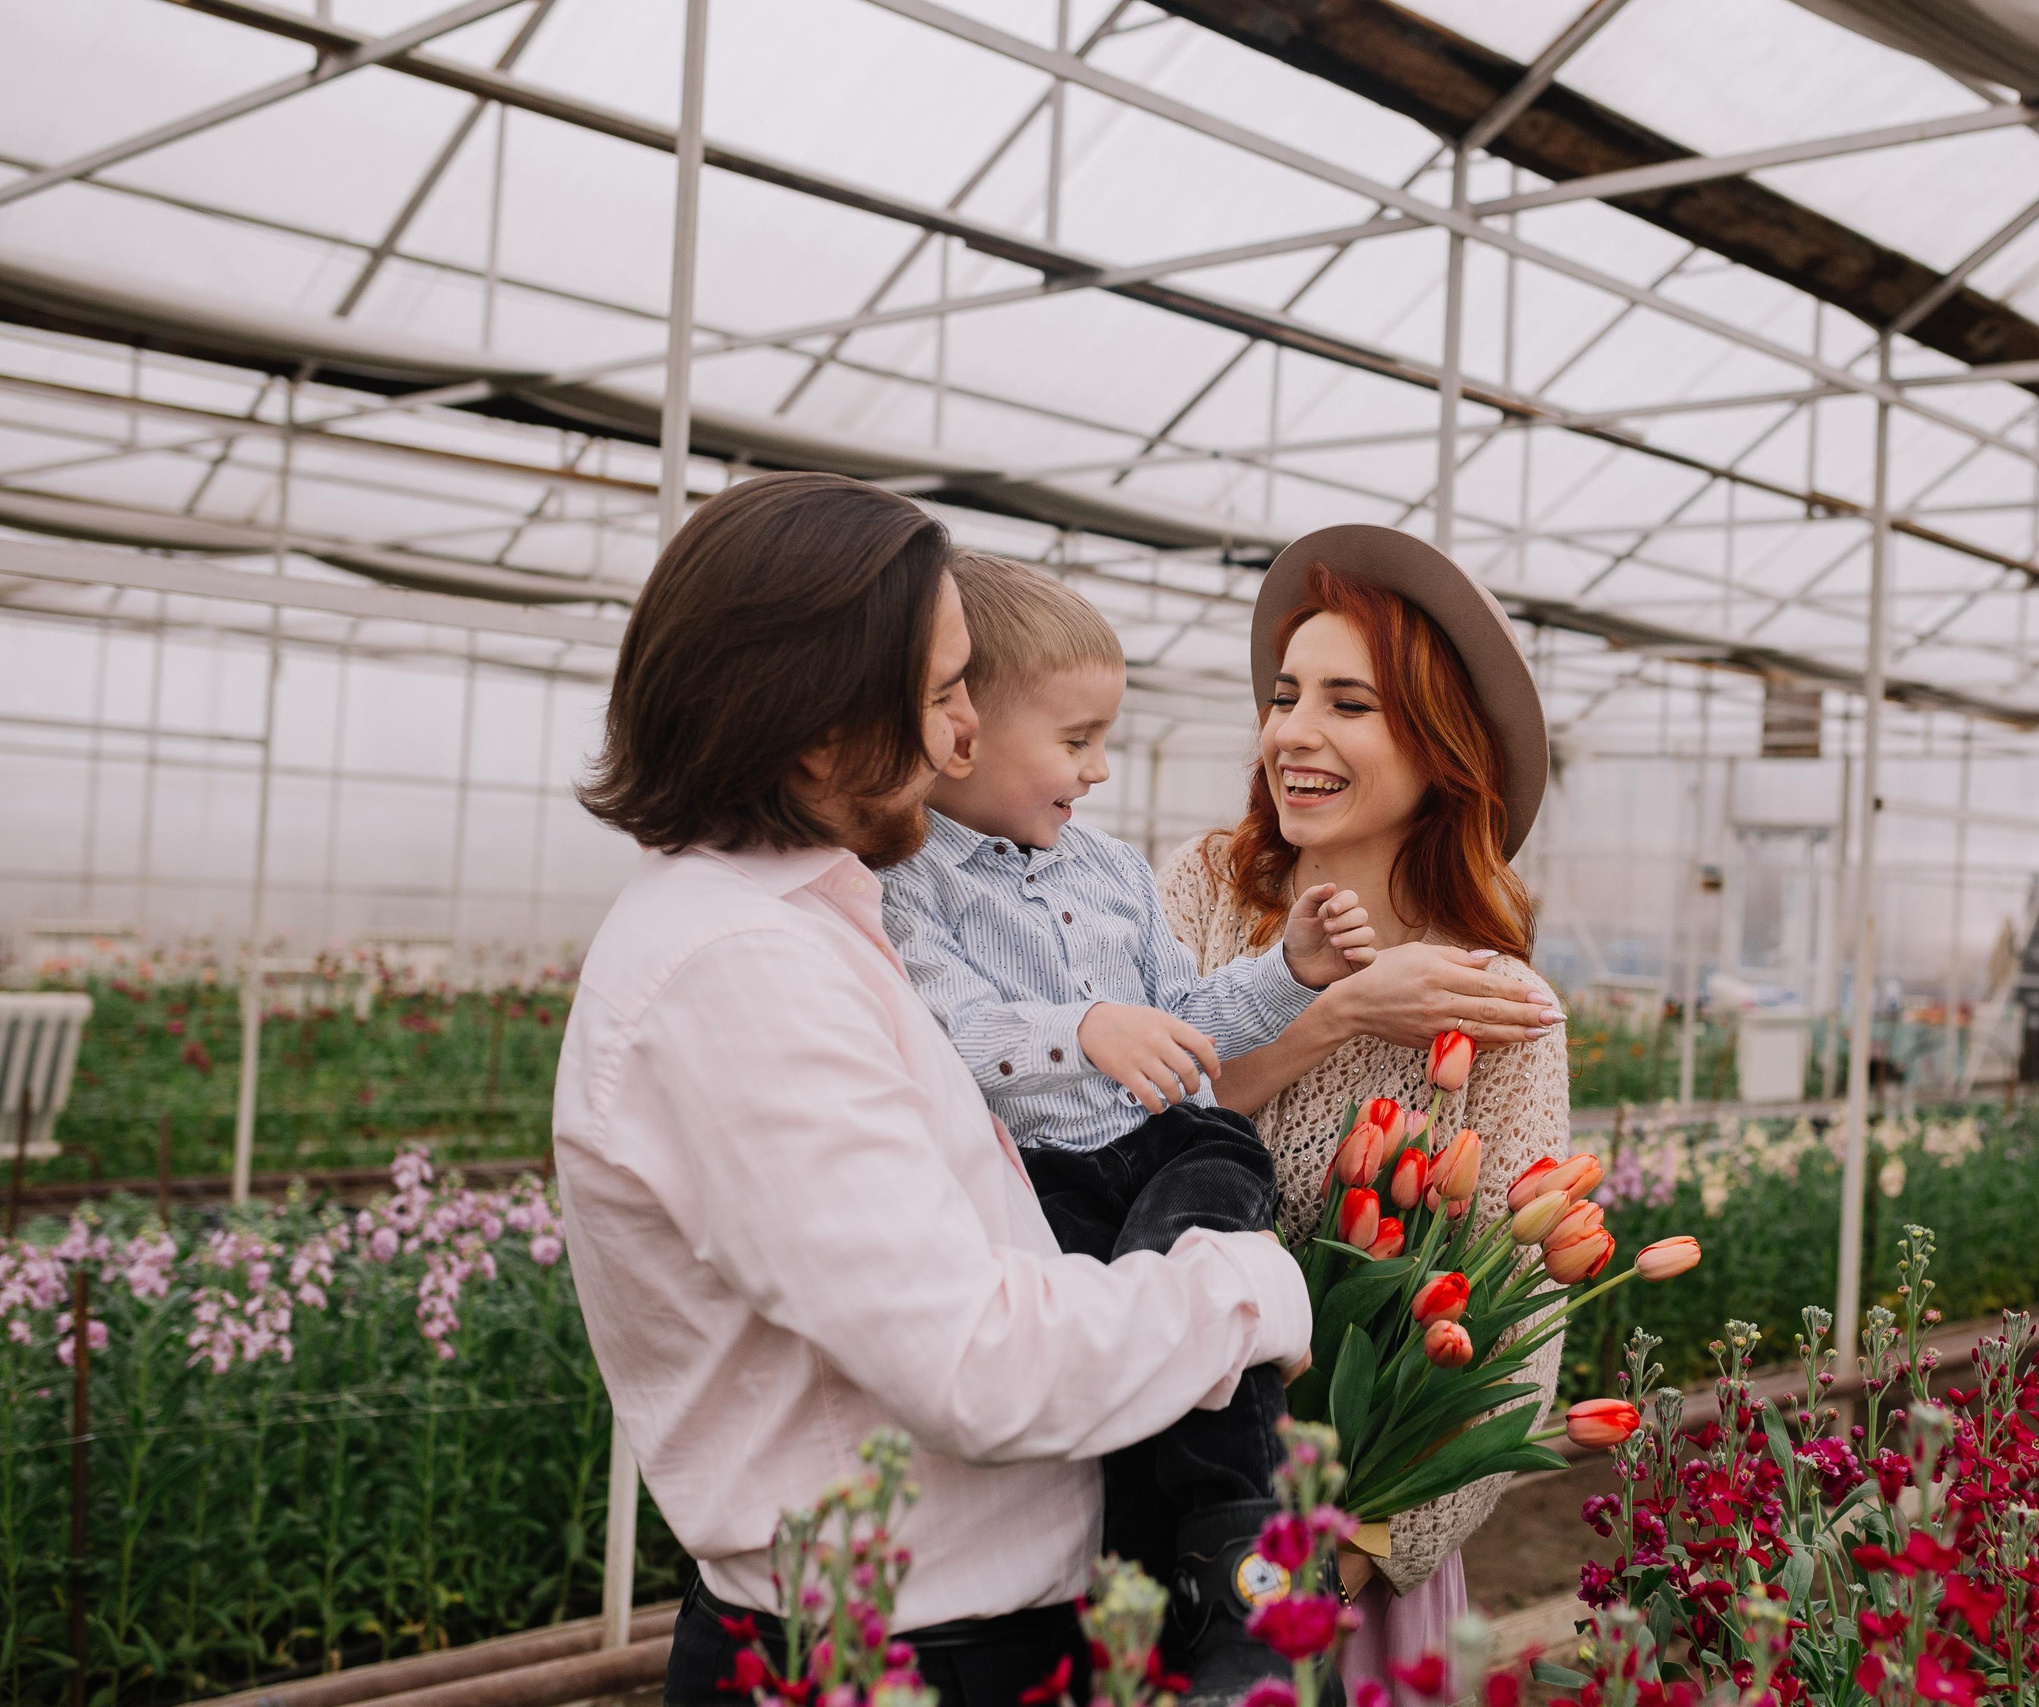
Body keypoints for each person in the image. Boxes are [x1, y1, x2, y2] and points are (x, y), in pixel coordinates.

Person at [550, 472, 1312, 1707]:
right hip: (890, 1663)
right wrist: (1252, 1286)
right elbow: (976, 1363)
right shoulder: (738, 974)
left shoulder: (808, 923)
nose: (967, 734)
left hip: (952, 1639)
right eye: (946, 691)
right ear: (818, 728)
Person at [875, 553, 1373, 1702]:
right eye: (1076, 740)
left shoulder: (1112, 874)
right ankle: (1160, 1586)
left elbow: (1187, 1020)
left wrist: (1287, 971)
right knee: (1111, 1378)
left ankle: (1240, 1552)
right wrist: (1080, 1029)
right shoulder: (909, 884)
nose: (1098, 771)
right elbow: (952, 1034)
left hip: (1169, 1144)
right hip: (1042, 1176)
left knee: (1211, 1264)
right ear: (962, 730)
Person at [1157, 525, 1572, 1698]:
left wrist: (1361, 1552)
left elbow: (1514, 1336)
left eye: (1349, 704)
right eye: (1286, 696)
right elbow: (1107, 1130)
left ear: (1442, 750)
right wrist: (1331, 1017)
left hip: (1348, 1557)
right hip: (1143, 1492)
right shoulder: (1200, 895)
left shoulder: (1500, 1009)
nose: (1293, 731)